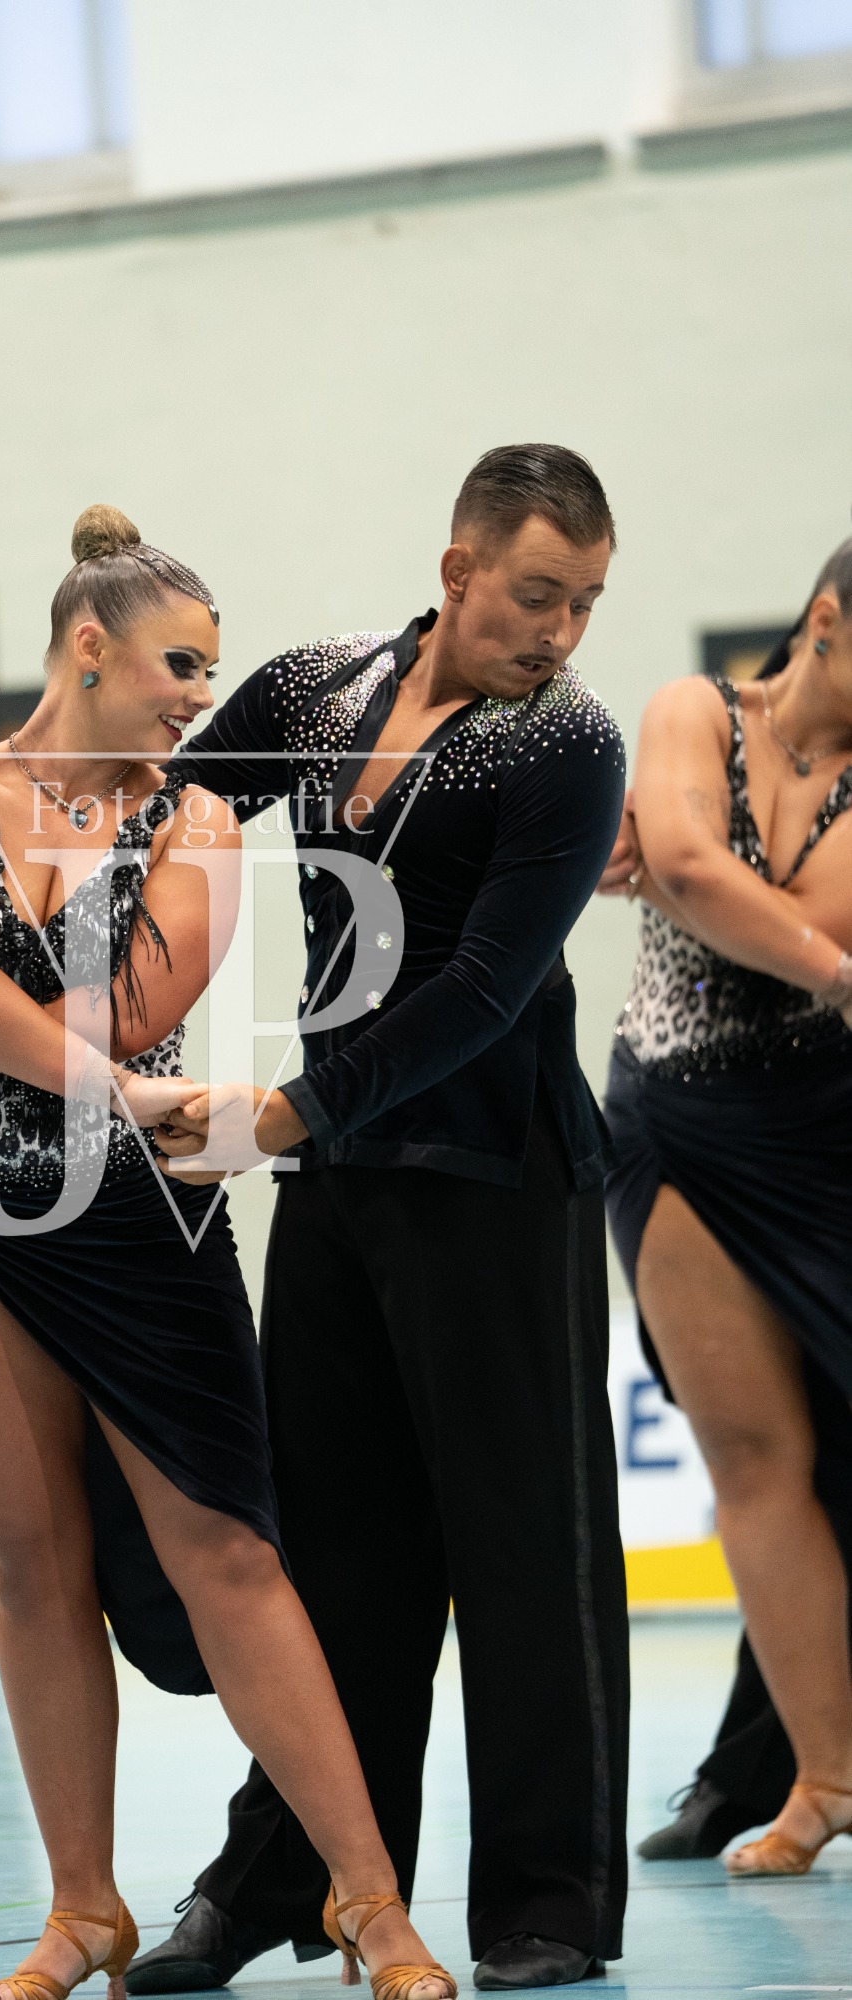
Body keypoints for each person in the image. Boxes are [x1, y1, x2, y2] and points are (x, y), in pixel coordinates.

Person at [0, 506, 456, 2000]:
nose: (201, 695)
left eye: (209, 669)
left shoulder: (192, 822)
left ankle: (368, 1900)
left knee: (228, 1556)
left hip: (133, 1220)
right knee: (30, 1564)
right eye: (180, 665)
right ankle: (82, 1911)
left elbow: (117, 1012)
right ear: (87, 646)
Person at [141, 445, 630, 1993]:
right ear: (456, 569)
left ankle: (547, 1902)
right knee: (332, 1553)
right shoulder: (312, 689)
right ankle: (276, 1882)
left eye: (584, 603)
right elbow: (152, 807)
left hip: (496, 1181)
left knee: (524, 1550)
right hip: (343, 1179)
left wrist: (281, 1113)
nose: (558, 631)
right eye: (536, 594)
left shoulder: (564, 743)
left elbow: (484, 989)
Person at [594, 541, 852, 1877]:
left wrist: (682, 868)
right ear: (826, 619)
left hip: (830, 1127)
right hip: (678, 1123)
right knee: (754, 1460)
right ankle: (822, 1781)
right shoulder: (692, 708)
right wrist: (688, 876)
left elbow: (780, 905)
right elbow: (698, 876)